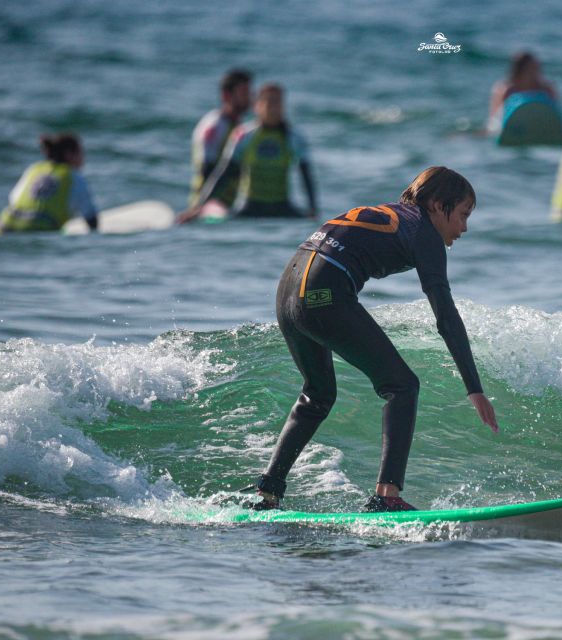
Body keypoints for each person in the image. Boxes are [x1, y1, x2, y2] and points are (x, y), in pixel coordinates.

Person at [250, 167, 499, 512]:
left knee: (317, 394)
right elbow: (445, 315)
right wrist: (474, 387)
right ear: (439, 206)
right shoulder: (424, 230)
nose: (464, 228)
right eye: (463, 215)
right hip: (323, 289)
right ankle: (387, 496)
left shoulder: (395, 215)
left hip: (288, 288)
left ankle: (268, 493)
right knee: (403, 385)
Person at [179, 83, 317, 222]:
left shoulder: (294, 137)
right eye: (269, 102)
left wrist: (313, 210)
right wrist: (199, 207)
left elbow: (305, 175)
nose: (273, 107)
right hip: (250, 207)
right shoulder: (244, 135)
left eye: (278, 102)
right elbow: (224, 172)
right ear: (257, 105)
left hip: (282, 207)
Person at [0, 133, 98, 235]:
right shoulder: (75, 177)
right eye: (81, 152)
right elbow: (91, 219)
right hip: (37, 232)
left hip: (4, 227)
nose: (84, 157)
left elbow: (13, 199)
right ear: (69, 154)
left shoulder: (34, 169)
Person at [188, 68, 253, 208]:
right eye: (244, 93)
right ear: (226, 95)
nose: (249, 98)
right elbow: (207, 169)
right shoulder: (215, 126)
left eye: (249, 92)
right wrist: (201, 206)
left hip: (228, 204)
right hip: (208, 205)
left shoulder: (237, 126)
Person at [488, 51, 558, 130]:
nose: (536, 73)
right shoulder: (505, 89)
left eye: (537, 69)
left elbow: (556, 115)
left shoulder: (546, 89)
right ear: (519, 70)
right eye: (531, 69)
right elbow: (494, 118)